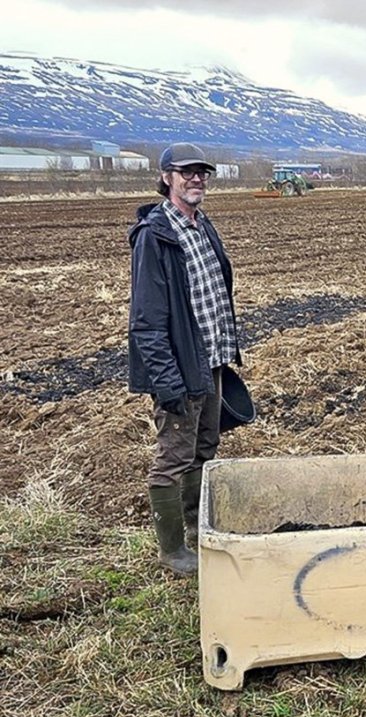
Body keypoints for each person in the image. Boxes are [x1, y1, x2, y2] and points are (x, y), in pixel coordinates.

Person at [127, 142, 241, 576]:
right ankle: (172, 551)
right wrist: (167, 382)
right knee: (173, 457)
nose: (197, 179)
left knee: (205, 447)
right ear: (167, 178)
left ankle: (197, 530)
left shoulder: (202, 225)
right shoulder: (155, 237)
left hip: (210, 359)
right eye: (186, 172)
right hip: (179, 367)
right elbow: (146, 322)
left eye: (202, 172)